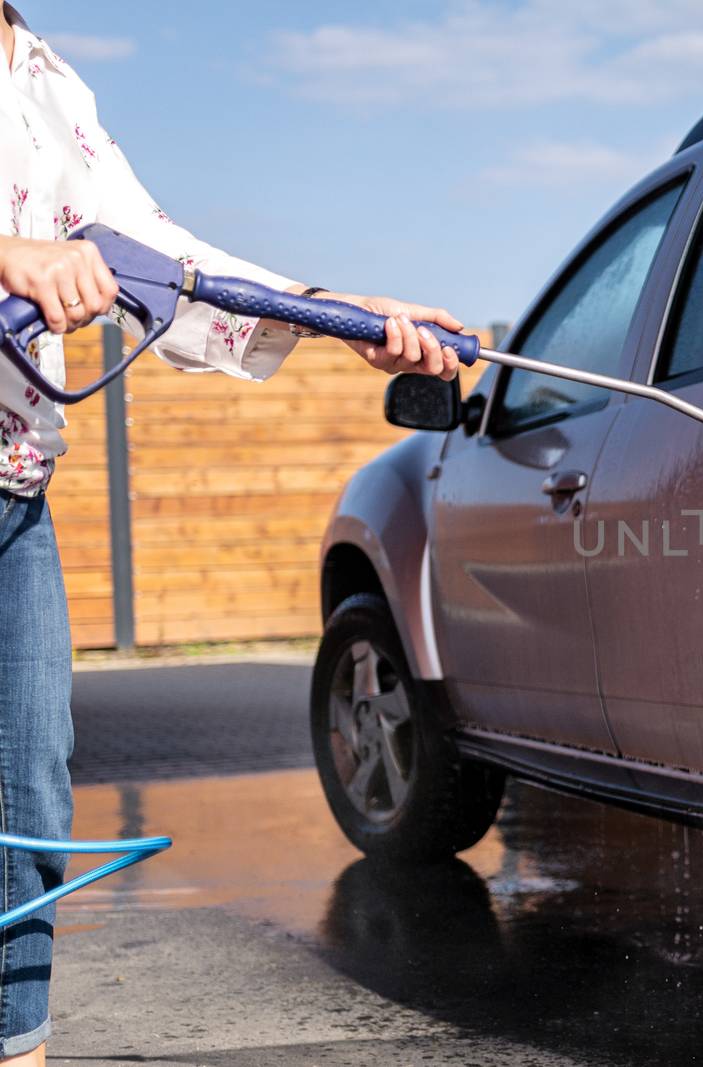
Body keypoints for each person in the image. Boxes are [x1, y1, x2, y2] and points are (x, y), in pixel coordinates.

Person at [0, 6, 463, 1062]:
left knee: (26, 802)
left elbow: (165, 258)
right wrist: (8, 254)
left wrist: (340, 314)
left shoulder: (46, 79)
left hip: (12, 491)